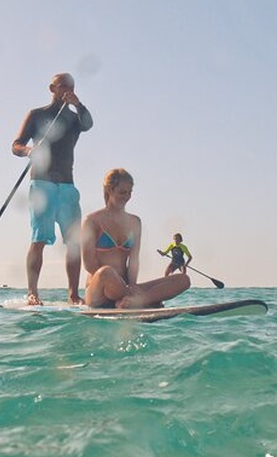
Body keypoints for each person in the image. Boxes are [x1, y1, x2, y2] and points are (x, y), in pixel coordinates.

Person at [12, 73, 94, 305]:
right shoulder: (37, 115)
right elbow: (15, 145)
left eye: (72, 87)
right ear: (52, 88)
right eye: (64, 86)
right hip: (42, 184)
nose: (68, 89)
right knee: (39, 239)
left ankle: (73, 295)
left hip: (67, 186)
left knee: (74, 243)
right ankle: (33, 293)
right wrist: (29, 151)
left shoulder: (75, 118)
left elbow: (88, 124)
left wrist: (78, 105)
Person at [82, 168, 190, 308]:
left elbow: (134, 260)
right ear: (109, 190)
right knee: (106, 272)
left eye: (129, 192)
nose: (126, 196)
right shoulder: (92, 221)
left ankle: (137, 300)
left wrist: (132, 285)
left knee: (183, 279)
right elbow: (89, 264)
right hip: (99, 289)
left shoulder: (135, 222)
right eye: (122, 192)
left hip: (126, 287)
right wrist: (120, 286)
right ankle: (141, 300)